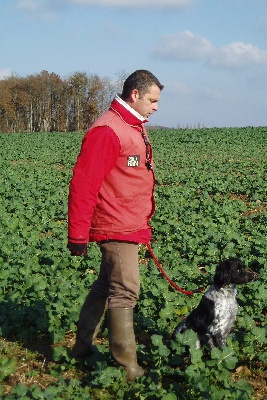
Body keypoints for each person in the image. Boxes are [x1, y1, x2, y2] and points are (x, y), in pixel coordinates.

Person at [67, 70, 164, 382]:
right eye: (153, 100)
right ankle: (128, 368)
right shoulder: (108, 131)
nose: (156, 107)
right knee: (125, 291)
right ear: (135, 95)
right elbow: (84, 184)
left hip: (128, 222)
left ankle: (82, 347)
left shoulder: (130, 127)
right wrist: (78, 233)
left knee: (104, 286)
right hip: (116, 226)